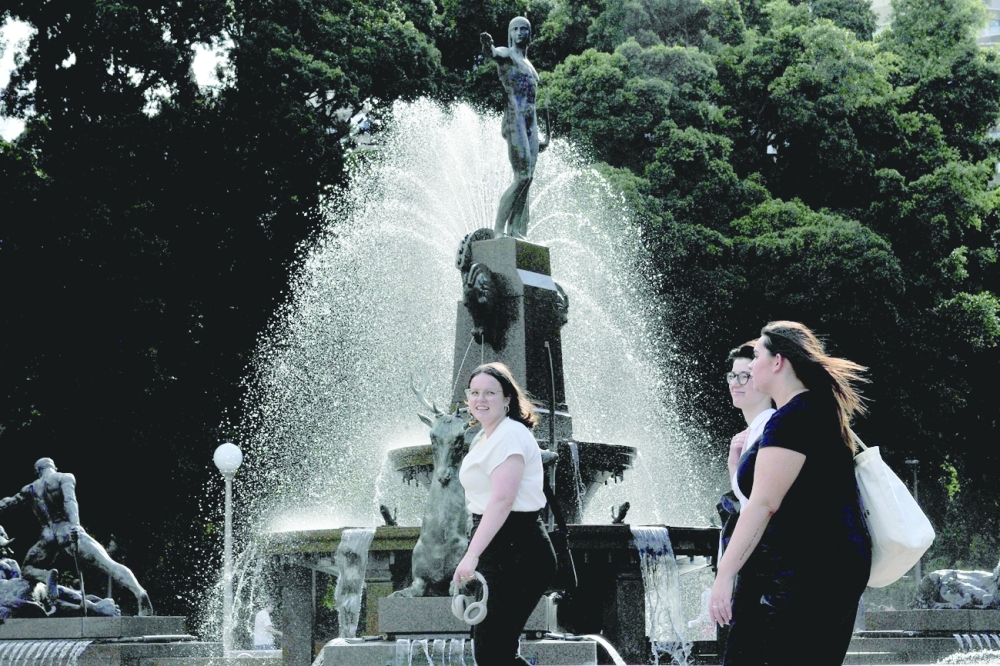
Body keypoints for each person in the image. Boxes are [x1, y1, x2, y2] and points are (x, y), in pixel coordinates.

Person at [709, 322, 871, 665]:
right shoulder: (812, 411)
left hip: (806, 574)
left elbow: (764, 503)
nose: (750, 366)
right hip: (821, 570)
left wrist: (724, 574)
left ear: (778, 361)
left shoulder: (794, 418)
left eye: (756, 356)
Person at [452, 362, 556, 666]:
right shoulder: (484, 437)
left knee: (493, 653)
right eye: (474, 393)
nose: (480, 400)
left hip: (518, 548)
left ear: (508, 398)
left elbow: (502, 500)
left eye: (490, 393)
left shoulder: (510, 435)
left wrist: (471, 557)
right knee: (495, 652)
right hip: (502, 549)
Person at [0, 458, 154, 615]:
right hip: (66, 530)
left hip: (47, 536)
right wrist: (75, 525)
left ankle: (46, 575)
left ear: (37, 471)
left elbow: (8, 503)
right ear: (54, 467)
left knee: (27, 569)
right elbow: (70, 501)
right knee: (108, 564)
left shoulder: (30, 489)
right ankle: (139, 593)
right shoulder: (64, 477)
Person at [480, 17, 549, 240]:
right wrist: (487, 46)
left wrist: (544, 135)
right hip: (515, 119)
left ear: (530, 34)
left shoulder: (531, 68)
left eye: (523, 29)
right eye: (515, 29)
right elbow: (493, 53)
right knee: (522, 176)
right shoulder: (507, 55)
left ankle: (517, 231)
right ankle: (499, 230)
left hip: (531, 124)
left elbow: (537, 103)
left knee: (528, 180)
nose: (519, 32)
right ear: (510, 34)